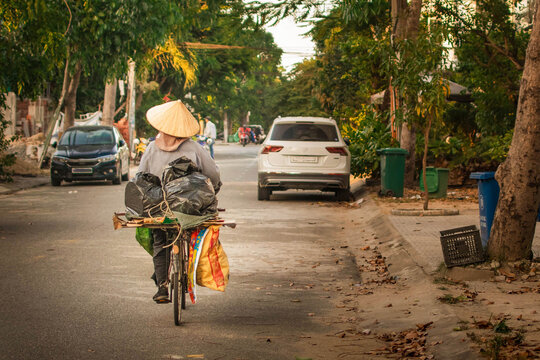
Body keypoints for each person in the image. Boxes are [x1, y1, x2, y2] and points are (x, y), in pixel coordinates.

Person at [137, 100, 221, 302]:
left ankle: (162, 286)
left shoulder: (151, 148)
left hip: (159, 208)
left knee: (160, 239)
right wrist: (215, 189)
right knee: (193, 235)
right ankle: (187, 271)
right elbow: (213, 174)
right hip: (189, 209)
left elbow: (140, 177)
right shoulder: (194, 147)